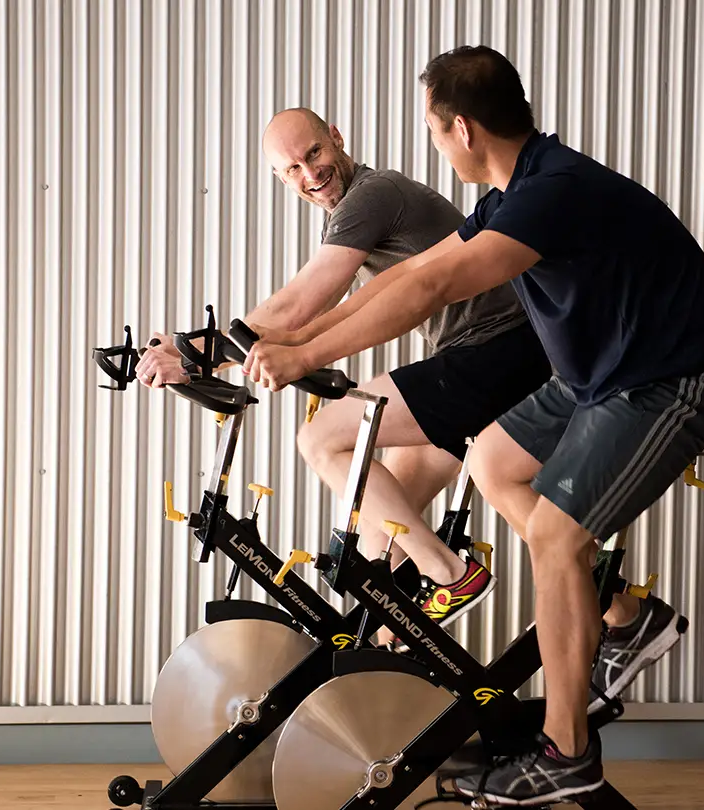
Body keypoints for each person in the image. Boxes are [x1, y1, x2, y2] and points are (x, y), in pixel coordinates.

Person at [239, 47, 704, 806]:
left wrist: (304, 350)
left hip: (680, 378)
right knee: (493, 461)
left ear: (464, 129)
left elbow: (434, 287)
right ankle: (627, 620)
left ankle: (568, 752)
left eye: (433, 130)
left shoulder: (551, 195)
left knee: (554, 537)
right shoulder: (515, 190)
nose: (434, 146)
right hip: (600, 380)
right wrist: (287, 346)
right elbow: (411, 275)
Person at [135, 106, 550, 636]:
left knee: (322, 441)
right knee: (385, 541)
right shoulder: (354, 211)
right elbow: (311, 320)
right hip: (477, 358)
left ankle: (453, 575)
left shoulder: (372, 197)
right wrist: (199, 351)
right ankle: (394, 691)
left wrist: (191, 351)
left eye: (314, 153)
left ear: (336, 138)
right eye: (292, 169)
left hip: (502, 351)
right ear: (280, 179)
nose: (310, 174)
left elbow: (298, 307)